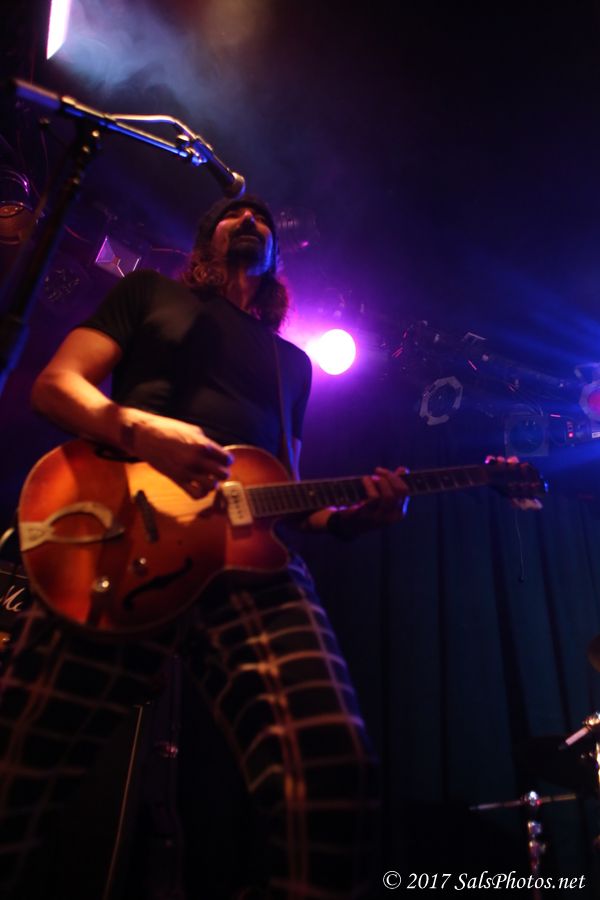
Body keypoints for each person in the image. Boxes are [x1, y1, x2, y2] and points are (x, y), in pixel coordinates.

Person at [0, 194, 410, 900]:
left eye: (262, 219)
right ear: (204, 242)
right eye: (233, 214)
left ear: (277, 257)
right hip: (117, 538)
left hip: (245, 566)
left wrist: (354, 519)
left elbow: (290, 496)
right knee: (14, 773)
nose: (250, 220)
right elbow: (55, 386)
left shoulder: (293, 365)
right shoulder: (148, 294)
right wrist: (143, 430)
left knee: (333, 767)